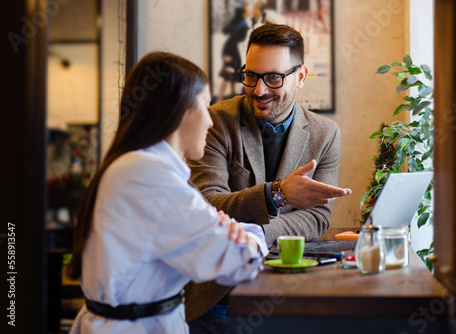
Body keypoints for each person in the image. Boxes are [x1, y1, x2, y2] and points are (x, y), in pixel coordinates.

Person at [66, 52, 268, 334]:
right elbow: (236, 263)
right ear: (180, 109)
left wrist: (227, 229)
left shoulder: (136, 166)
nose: (210, 121)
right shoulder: (149, 176)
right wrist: (253, 237)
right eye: (205, 105)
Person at [185, 24, 352, 332]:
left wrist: (256, 233)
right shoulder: (218, 121)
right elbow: (207, 204)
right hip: (219, 299)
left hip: (291, 296)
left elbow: (317, 218)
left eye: (273, 77)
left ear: (300, 76)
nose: (259, 90)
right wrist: (277, 194)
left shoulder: (325, 134)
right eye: (251, 75)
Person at [216, 2, 250, 103]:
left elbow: (226, 30)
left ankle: (227, 98)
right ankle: (220, 99)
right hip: (231, 50)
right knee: (228, 74)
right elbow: (237, 37)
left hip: (232, 50)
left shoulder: (238, 22)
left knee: (234, 73)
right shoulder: (242, 24)